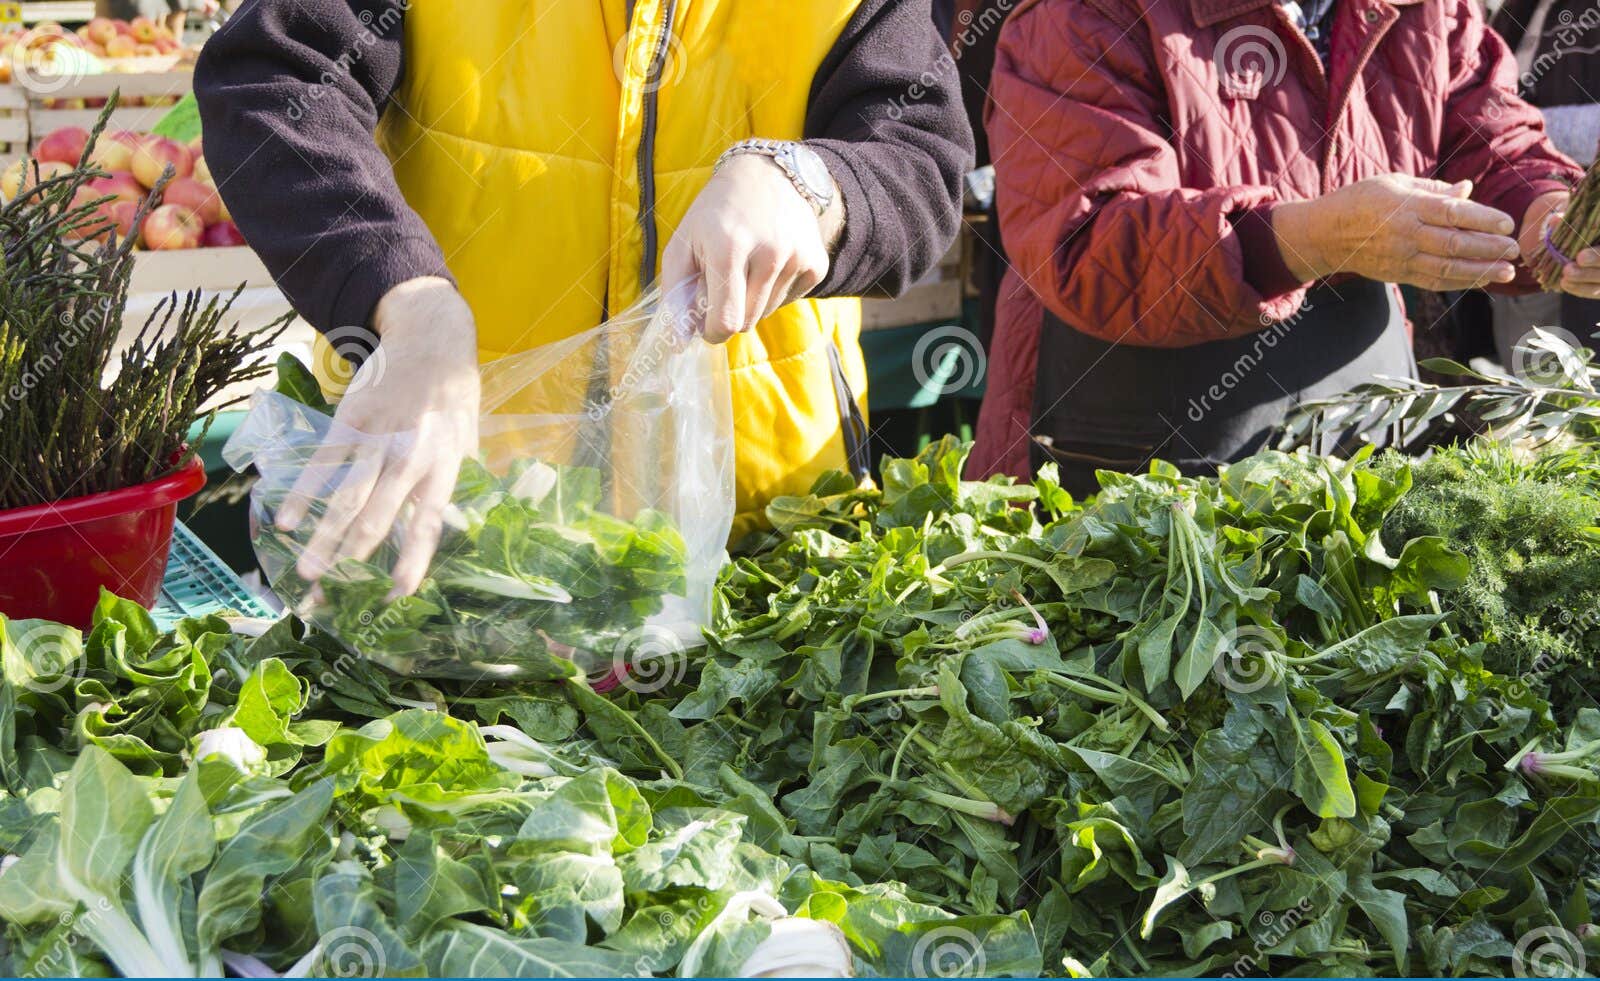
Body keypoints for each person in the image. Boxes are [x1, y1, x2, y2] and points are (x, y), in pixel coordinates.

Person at [195, 1, 971, 593]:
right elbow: (273, 79)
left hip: (764, 540)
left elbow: (918, 156)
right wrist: (403, 296)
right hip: (452, 532)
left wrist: (812, 188)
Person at [969, 0, 1600, 491]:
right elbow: (1092, 248)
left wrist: (1548, 220)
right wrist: (1315, 238)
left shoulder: (1423, 9)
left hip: (1357, 440)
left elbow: (1491, 144)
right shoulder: (1084, 14)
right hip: (1126, 461)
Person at [1489, 0, 1600, 359]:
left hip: (1579, 237)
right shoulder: (1525, 10)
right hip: (1536, 226)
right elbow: (1486, 112)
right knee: (1537, 383)